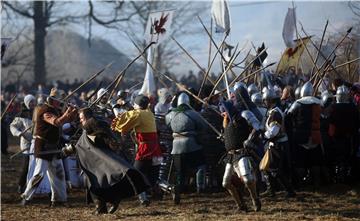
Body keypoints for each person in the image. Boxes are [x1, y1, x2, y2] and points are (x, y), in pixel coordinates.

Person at [63, 108, 150, 214]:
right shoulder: (91, 125)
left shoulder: (92, 122)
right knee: (101, 183)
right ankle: (110, 201)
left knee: (95, 183)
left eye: (81, 118)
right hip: (95, 162)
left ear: (86, 117)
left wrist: (109, 139)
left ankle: (102, 207)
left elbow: (102, 131)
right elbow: (87, 141)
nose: (81, 121)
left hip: (100, 161)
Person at [21, 88, 77, 207]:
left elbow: (67, 120)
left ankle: (59, 200)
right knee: (39, 174)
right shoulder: (45, 110)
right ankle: (26, 197)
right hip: (43, 147)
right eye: (58, 100)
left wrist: (72, 111)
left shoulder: (55, 109)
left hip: (54, 146)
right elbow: (56, 122)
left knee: (59, 173)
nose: (60, 102)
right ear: (52, 100)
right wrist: (67, 113)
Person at [111, 94, 163, 206]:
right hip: (156, 148)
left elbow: (122, 124)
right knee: (153, 177)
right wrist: (125, 104)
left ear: (137, 105)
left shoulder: (138, 114)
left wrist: (115, 107)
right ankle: (170, 187)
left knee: (135, 174)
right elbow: (132, 111)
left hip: (145, 149)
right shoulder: (149, 112)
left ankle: (143, 199)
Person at [219, 84, 262, 212]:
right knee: (225, 183)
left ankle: (255, 199)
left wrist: (249, 139)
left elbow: (257, 127)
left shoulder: (244, 114)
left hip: (242, 151)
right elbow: (228, 132)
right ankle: (241, 205)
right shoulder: (227, 118)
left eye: (233, 96)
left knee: (248, 179)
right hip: (230, 154)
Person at [165, 92, 207, 202]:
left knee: (180, 171)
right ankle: (200, 188)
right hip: (192, 145)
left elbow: (168, 126)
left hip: (176, 147)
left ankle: (178, 190)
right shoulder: (193, 113)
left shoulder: (169, 115)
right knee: (200, 166)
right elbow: (203, 126)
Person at [286, 82, 323, 188]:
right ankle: (316, 182)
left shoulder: (297, 103)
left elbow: (288, 116)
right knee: (315, 160)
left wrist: (292, 130)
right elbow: (324, 116)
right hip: (315, 135)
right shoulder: (318, 103)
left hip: (300, 137)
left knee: (300, 161)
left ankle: (301, 183)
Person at [262, 87, 296, 197]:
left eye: (265, 100)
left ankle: (289, 191)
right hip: (276, 144)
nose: (264, 102)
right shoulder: (272, 112)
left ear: (269, 100)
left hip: (278, 144)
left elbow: (273, 132)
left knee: (275, 169)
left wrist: (263, 136)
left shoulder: (275, 113)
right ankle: (271, 190)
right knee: (266, 167)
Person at [328, 85, 359, 183]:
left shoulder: (334, 107)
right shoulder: (352, 107)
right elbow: (357, 122)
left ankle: (340, 176)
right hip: (349, 136)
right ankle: (346, 176)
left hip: (338, 136)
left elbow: (331, 122)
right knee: (348, 156)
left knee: (339, 156)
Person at [10, 94, 36, 193]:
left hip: (37, 142)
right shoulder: (21, 115)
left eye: (33, 102)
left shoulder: (37, 112)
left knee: (36, 165)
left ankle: (34, 186)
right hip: (26, 143)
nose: (33, 104)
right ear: (26, 103)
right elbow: (13, 126)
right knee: (27, 164)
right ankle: (21, 185)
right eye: (30, 102)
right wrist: (19, 133)